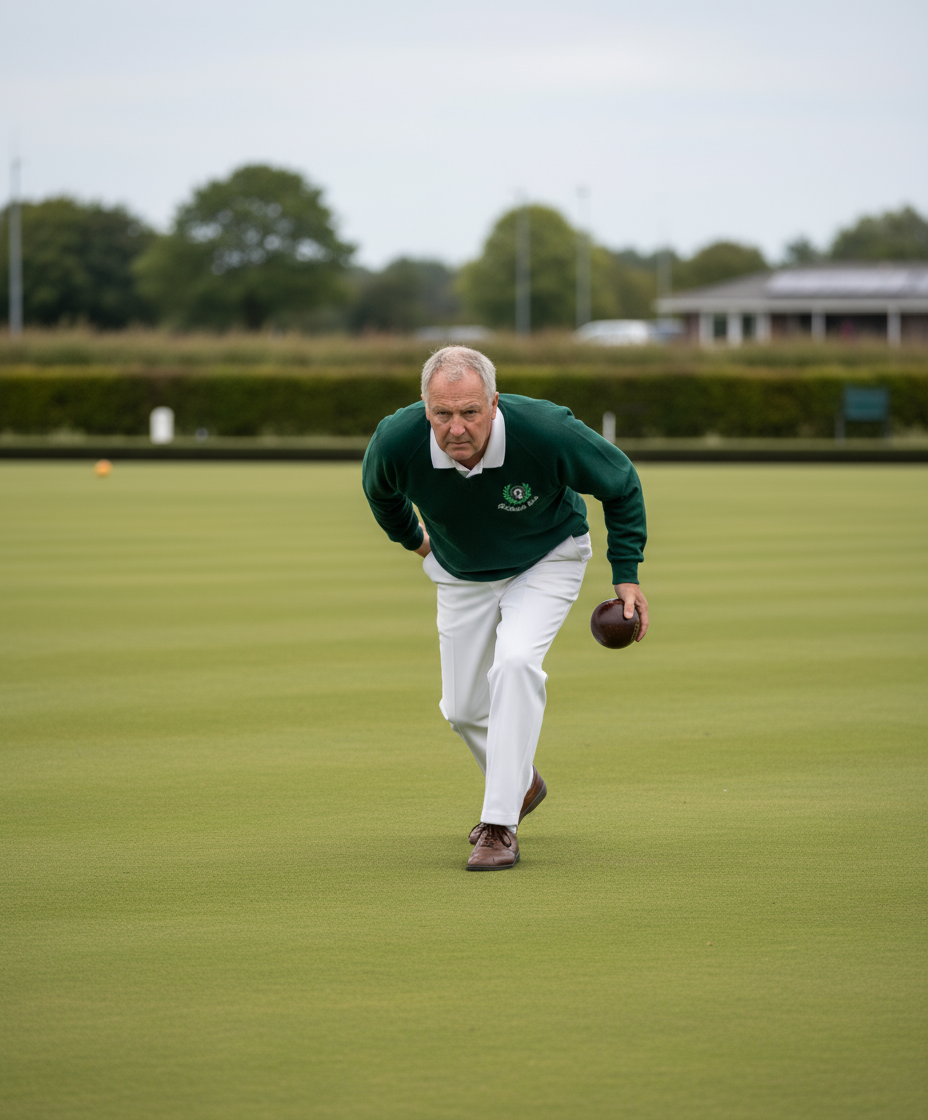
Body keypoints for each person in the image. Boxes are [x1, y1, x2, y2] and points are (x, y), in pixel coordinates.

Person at [362, 346, 648, 871]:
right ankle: (523, 782)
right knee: (462, 710)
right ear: (425, 408)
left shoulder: (545, 430)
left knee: (515, 662)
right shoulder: (395, 441)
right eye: (442, 413)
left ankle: (499, 825)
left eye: (470, 412)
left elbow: (621, 482)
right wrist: (418, 542)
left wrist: (625, 573)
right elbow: (380, 494)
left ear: (494, 404)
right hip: (461, 570)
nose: (456, 428)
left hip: (548, 557)